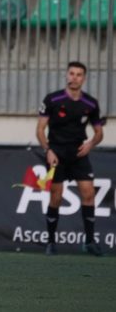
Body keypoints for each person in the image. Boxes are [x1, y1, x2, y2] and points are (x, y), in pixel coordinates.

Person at [36, 61, 104, 256]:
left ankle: (89, 241)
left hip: (79, 153)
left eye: (79, 74)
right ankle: (50, 242)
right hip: (56, 152)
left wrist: (91, 143)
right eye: (71, 73)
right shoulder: (53, 99)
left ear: (84, 78)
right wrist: (48, 150)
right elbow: (40, 130)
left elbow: (99, 132)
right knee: (56, 196)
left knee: (89, 193)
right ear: (67, 75)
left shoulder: (90, 103)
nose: (74, 77)